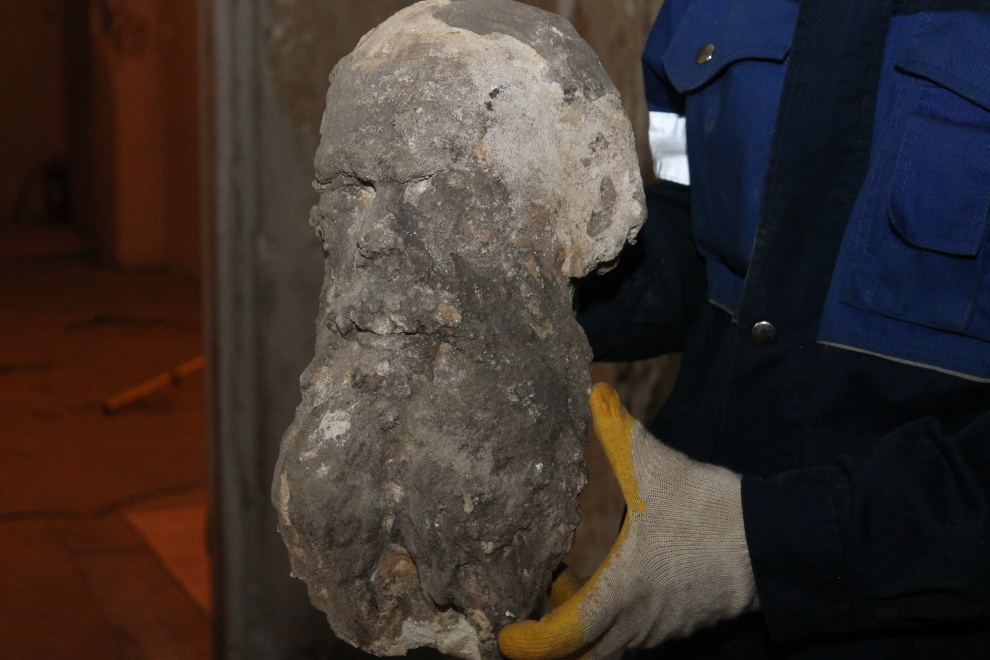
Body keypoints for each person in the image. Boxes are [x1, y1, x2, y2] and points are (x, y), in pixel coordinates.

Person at [498, 0, 990, 658]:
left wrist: (760, 545)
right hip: (675, 591)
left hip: (910, 623)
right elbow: (694, 214)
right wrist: (541, 291)